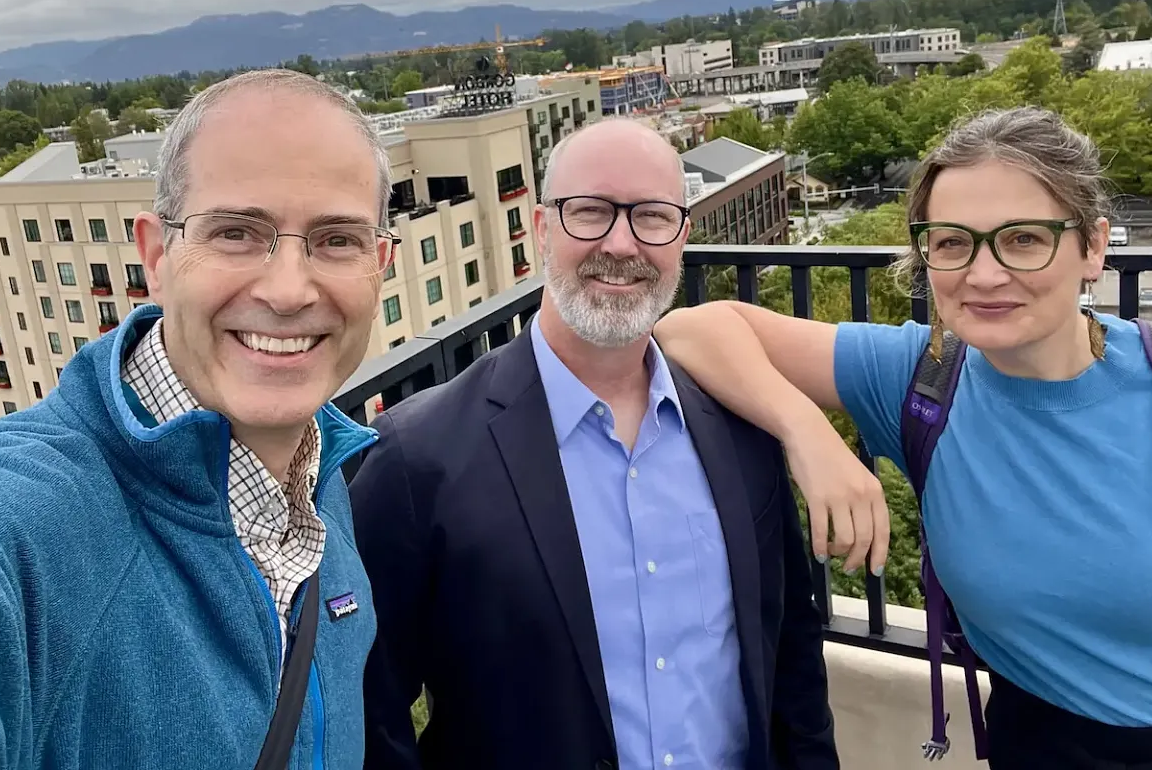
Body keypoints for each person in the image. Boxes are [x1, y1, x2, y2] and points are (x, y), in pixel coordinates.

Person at [654, 105, 1152, 769]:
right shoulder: (918, 379)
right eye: (952, 242)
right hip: (1034, 740)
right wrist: (808, 434)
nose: (983, 274)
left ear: (1092, 247)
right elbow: (693, 328)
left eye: (1023, 239)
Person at [0, 70, 399, 770]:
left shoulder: (321, 475)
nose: (288, 288)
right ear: (157, 256)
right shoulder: (23, 528)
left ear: (379, 264)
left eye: (336, 240)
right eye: (234, 232)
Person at [350, 117, 840, 770]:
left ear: (683, 236)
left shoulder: (741, 429)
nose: (620, 242)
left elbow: (790, 652)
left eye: (652, 217)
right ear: (540, 226)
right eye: (590, 212)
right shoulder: (416, 460)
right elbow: (370, 710)